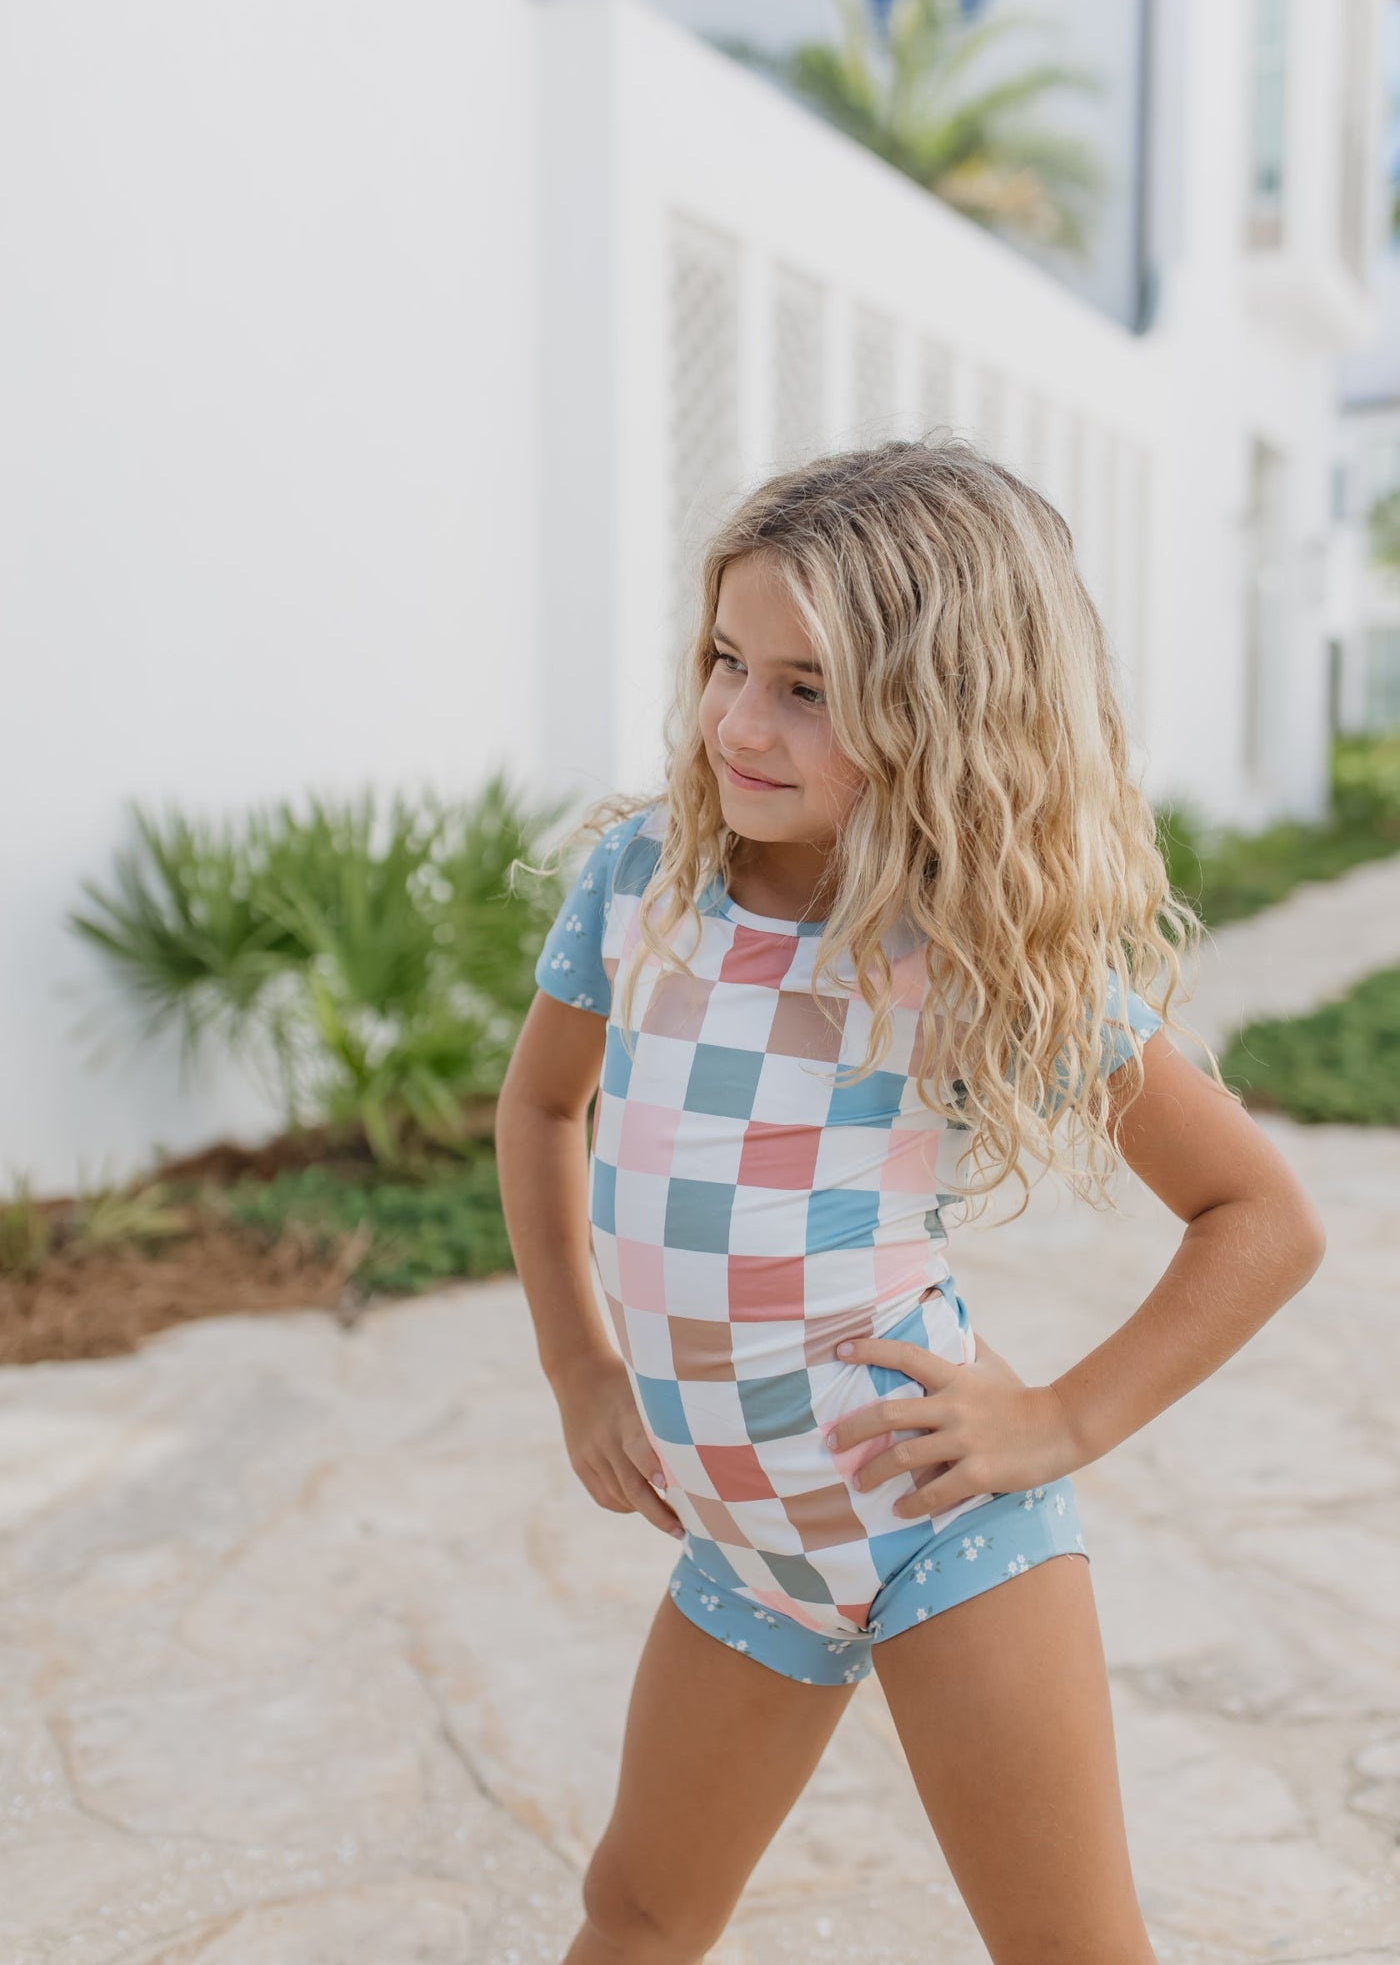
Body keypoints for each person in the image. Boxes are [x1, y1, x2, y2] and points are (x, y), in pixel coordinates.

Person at [494, 436, 1327, 1965]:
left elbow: (1262, 1217)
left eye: (808, 688)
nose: (740, 721)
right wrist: (580, 1368)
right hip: (742, 1549)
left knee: (1069, 1950)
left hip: (934, 1530)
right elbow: (544, 1105)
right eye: (729, 660)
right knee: (637, 1907)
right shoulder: (637, 884)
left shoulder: (957, 944)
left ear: (943, 711)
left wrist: (1061, 1420)